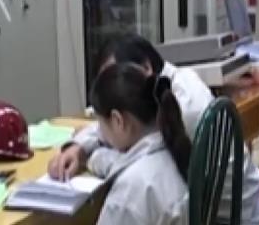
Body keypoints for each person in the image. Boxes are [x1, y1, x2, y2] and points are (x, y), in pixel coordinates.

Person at [49, 34, 259, 224]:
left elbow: (133, 163)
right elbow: (115, 131)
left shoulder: (183, 113)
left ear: (145, 69)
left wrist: (94, 157)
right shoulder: (166, 96)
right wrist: (78, 147)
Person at [80, 62, 189, 224]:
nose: (101, 133)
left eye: (101, 124)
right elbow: (119, 162)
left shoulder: (129, 191)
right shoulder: (174, 148)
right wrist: (91, 157)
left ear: (118, 121)